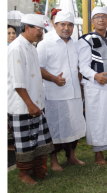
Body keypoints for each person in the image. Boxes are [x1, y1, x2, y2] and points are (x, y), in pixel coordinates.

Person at [76, 6, 107, 165]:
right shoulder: (86, 40)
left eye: (104, 17)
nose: (101, 20)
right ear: (92, 21)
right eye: (97, 17)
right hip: (97, 88)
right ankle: (99, 154)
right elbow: (82, 66)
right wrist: (95, 76)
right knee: (99, 119)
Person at [37, 11, 86, 171]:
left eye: (70, 25)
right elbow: (38, 68)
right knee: (54, 128)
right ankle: (53, 161)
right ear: (55, 25)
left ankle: (71, 156)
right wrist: (53, 78)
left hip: (74, 94)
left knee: (72, 126)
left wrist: (81, 87)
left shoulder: (75, 43)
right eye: (63, 24)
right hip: (55, 95)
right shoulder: (45, 43)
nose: (66, 28)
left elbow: (78, 68)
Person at [8, 14, 54, 184]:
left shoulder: (31, 47)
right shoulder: (16, 48)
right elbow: (17, 82)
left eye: (42, 29)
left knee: (36, 141)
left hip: (34, 103)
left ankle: (37, 170)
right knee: (25, 142)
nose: (41, 32)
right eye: (38, 29)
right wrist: (29, 104)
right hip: (23, 105)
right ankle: (23, 174)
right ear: (27, 28)